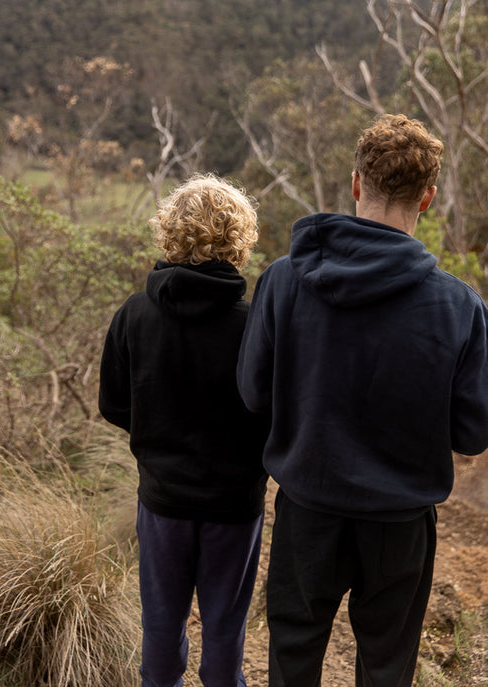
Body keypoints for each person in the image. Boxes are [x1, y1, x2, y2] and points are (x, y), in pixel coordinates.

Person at [237, 113, 488, 687]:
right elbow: (473, 432)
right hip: (400, 524)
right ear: (426, 197)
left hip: (307, 512)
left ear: (355, 183)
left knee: (292, 662)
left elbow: (253, 393)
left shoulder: (281, 281)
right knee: (386, 669)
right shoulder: (460, 308)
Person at [99, 174, 269, 687]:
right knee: (224, 630)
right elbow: (271, 413)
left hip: (162, 502)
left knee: (159, 625)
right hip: (234, 509)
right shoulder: (253, 325)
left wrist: (157, 436)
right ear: (237, 241)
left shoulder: (134, 315)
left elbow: (114, 406)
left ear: (170, 233)